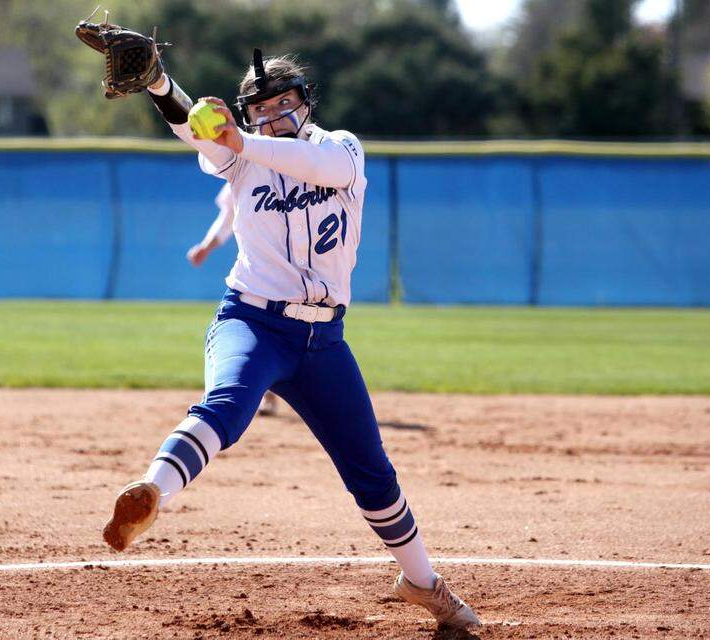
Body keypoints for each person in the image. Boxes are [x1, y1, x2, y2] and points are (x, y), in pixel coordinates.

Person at [100, 46, 481, 630]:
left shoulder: (341, 150)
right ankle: (149, 493)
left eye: (286, 102)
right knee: (227, 406)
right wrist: (157, 83)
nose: (276, 113)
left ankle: (423, 584)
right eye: (263, 107)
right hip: (252, 320)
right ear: (250, 114)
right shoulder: (238, 162)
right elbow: (187, 125)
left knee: (371, 472)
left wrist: (238, 138)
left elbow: (311, 166)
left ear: (305, 103)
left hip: (324, 341)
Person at [186, 183, 279, 417]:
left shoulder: (293, 164)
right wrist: (205, 247)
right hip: (256, 271)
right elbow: (228, 217)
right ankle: (255, 393)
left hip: (292, 271)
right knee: (258, 328)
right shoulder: (244, 168)